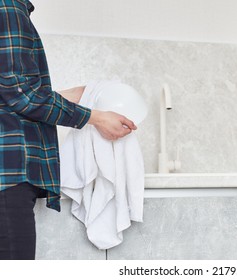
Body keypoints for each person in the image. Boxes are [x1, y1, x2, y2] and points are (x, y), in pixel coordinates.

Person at [0, 0, 137, 260]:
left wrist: (75, 95)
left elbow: (11, 93)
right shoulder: (7, 6)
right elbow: (21, 95)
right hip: (8, 175)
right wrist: (95, 117)